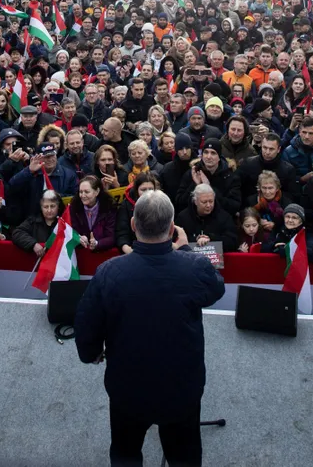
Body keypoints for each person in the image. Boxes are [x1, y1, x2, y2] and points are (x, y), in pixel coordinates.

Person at [75, 190, 224, 466]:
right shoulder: (195, 267)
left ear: (133, 225)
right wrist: (186, 249)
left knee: (126, 454)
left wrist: (91, 353)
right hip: (181, 388)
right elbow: (216, 288)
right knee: (184, 457)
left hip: (127, 389)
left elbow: (86, 322)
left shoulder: (109, 272)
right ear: (172, 227)